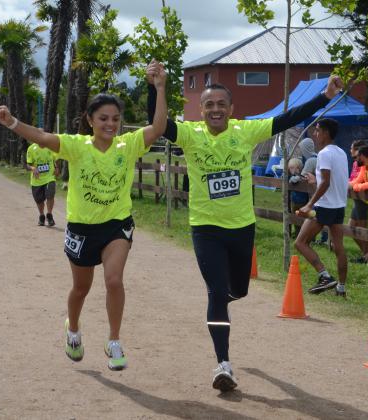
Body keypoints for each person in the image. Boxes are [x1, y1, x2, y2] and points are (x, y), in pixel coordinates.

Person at [146, 72, 345, 391]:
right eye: (208, 104)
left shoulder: (246, 130)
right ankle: (223, 364)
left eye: (221, 104)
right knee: (215, 293)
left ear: (231, 108)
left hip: (240, 228)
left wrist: (324, 96)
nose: (215, 109)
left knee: (238, 290)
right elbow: (157, 123)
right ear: (200, 109)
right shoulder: (190, 134)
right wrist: (155, 87)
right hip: (205, 228)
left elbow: (288, 118)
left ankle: (223, 301)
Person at [0, 59, 169, 371]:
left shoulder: (127, 146)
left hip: (116, 225)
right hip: (82, 228)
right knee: (81, 288)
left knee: (114, 281)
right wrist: (11, 122)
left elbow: (157, 128)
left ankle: (113, 340)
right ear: (90, 120)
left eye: (115, 118)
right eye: (103, 118)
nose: (110, 124)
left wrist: (160, 87)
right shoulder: (77, 146)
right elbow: (43, 138)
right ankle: (72, 329)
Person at [293, 118, 349, 298]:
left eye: (317, 130)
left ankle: (324, 276)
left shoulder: (324, 153)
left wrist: (309, 204)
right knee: (338, 247)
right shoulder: (341, 152)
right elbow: (331, 180)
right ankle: (341, 288)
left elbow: (325, 183)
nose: (315, 133)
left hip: (324, 206)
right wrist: (315, 182)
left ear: (325, 133)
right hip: (339, 205)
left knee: (300, 243)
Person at [25, 142, 61, 226]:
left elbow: (55, 159)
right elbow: (27, 165)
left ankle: (49, 215)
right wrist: (33, 168)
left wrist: (56, 167)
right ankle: (41, 216)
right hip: (37, 180)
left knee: (50, 194)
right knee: (39, 200)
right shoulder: (31, 148)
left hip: (49, 177)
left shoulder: (50, 146)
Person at [347, 139, 368, 255]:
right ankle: (366, 253)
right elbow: (353, 179)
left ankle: (366, 255)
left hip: (363, 198)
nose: (350, 150)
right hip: (356, 197)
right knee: (351, 228)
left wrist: (351, 184)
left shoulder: (362, 163)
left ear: (357, 150)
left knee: (362, 228)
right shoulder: (355, 163)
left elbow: (361, 180)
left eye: (351, 148)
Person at [287, 157, 309, 239]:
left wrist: (300, 178)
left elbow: (303, 179)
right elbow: (290, 180)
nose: (291, 170)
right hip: (294, 201)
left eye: (293, 168)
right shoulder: (291, 177)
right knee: (295, 218)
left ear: (299, 168)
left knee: (303, 218)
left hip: (303, 202)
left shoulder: (302, 176)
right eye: (290, 168)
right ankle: (297, 233)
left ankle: (302, 235)